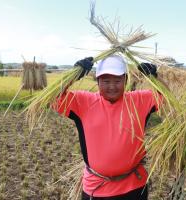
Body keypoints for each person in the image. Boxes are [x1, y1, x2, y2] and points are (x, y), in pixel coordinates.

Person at [53, 55, 162, 200]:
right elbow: (52, 97)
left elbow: (166, 97)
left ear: (126, 80)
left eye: (117, 81)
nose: (112, 86)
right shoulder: (83, 102)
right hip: (96, 189)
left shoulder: (139, 101)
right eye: (105, 81)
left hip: (134, 186)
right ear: (97, 82)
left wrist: (154, 78)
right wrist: (73, 75)